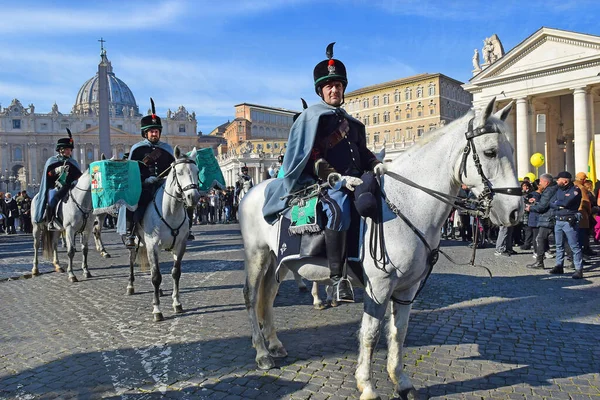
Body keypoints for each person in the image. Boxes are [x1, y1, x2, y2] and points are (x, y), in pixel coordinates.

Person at [262, 42, 387, 302]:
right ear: (321, 90)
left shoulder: (352, 124)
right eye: (329, 86)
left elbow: (361, 152)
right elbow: (312, 154)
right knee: (339, 206)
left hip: (356, 178)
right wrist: (334, 177)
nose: (335, 89)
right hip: (325, 182)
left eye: (338, 85)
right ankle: (337, 278)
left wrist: (375, 163)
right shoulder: (313, 118)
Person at [125, 99, 175, 248]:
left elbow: (173, 168)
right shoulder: (137, 149)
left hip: (164, 185)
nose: (155, 134)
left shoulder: (167, 148)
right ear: (145, 133)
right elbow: (131, 171)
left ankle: (185, 228)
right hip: (145, 186)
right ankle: (131, 232)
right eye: (152, 131)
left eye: (157, 131)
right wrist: (146, 180)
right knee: (135, 204)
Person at [33, 131, 82, 230]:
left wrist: (77, 180)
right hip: (55, 186)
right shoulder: (52, 161)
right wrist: (56, 170)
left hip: (70, 186)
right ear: (61, 150)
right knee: (52, 200)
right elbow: (48, 175)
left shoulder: (73, 162)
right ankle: (50, 220)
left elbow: (78, 176)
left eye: (70, 150)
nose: (70, 152)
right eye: (68, 149)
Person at [549, 171, 584, 279]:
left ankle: (578, 269)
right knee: (559, 245)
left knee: (574, 246)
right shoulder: (558, 189)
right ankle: (559, 266)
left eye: (558, 179)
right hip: (558, 220)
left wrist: (558, 204)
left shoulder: (575, 190)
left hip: (569, 221)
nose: (557, 181)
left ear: (565, 181)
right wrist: (559, 205)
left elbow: (566, 203)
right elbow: (551, 202)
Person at [525, 174, 558, 269]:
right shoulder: (554, 188)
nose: (539, 183)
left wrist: (530, 208)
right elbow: (546, 203)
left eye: (541, 182)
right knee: (562, 241)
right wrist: (536, 203)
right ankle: (574, 262)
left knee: (540, 238)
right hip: (552, 217)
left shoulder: (549, 190)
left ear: (546, 182)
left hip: (548, 218)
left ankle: (539, 262)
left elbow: (543, 207)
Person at [574, 172, 593, 256]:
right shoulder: (582, 188)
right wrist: (589, 212)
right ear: (583, 179)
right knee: (583, 234)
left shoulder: (572, 185)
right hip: (582, 212)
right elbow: (586, 202)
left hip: (572, 212)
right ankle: (583, 254)